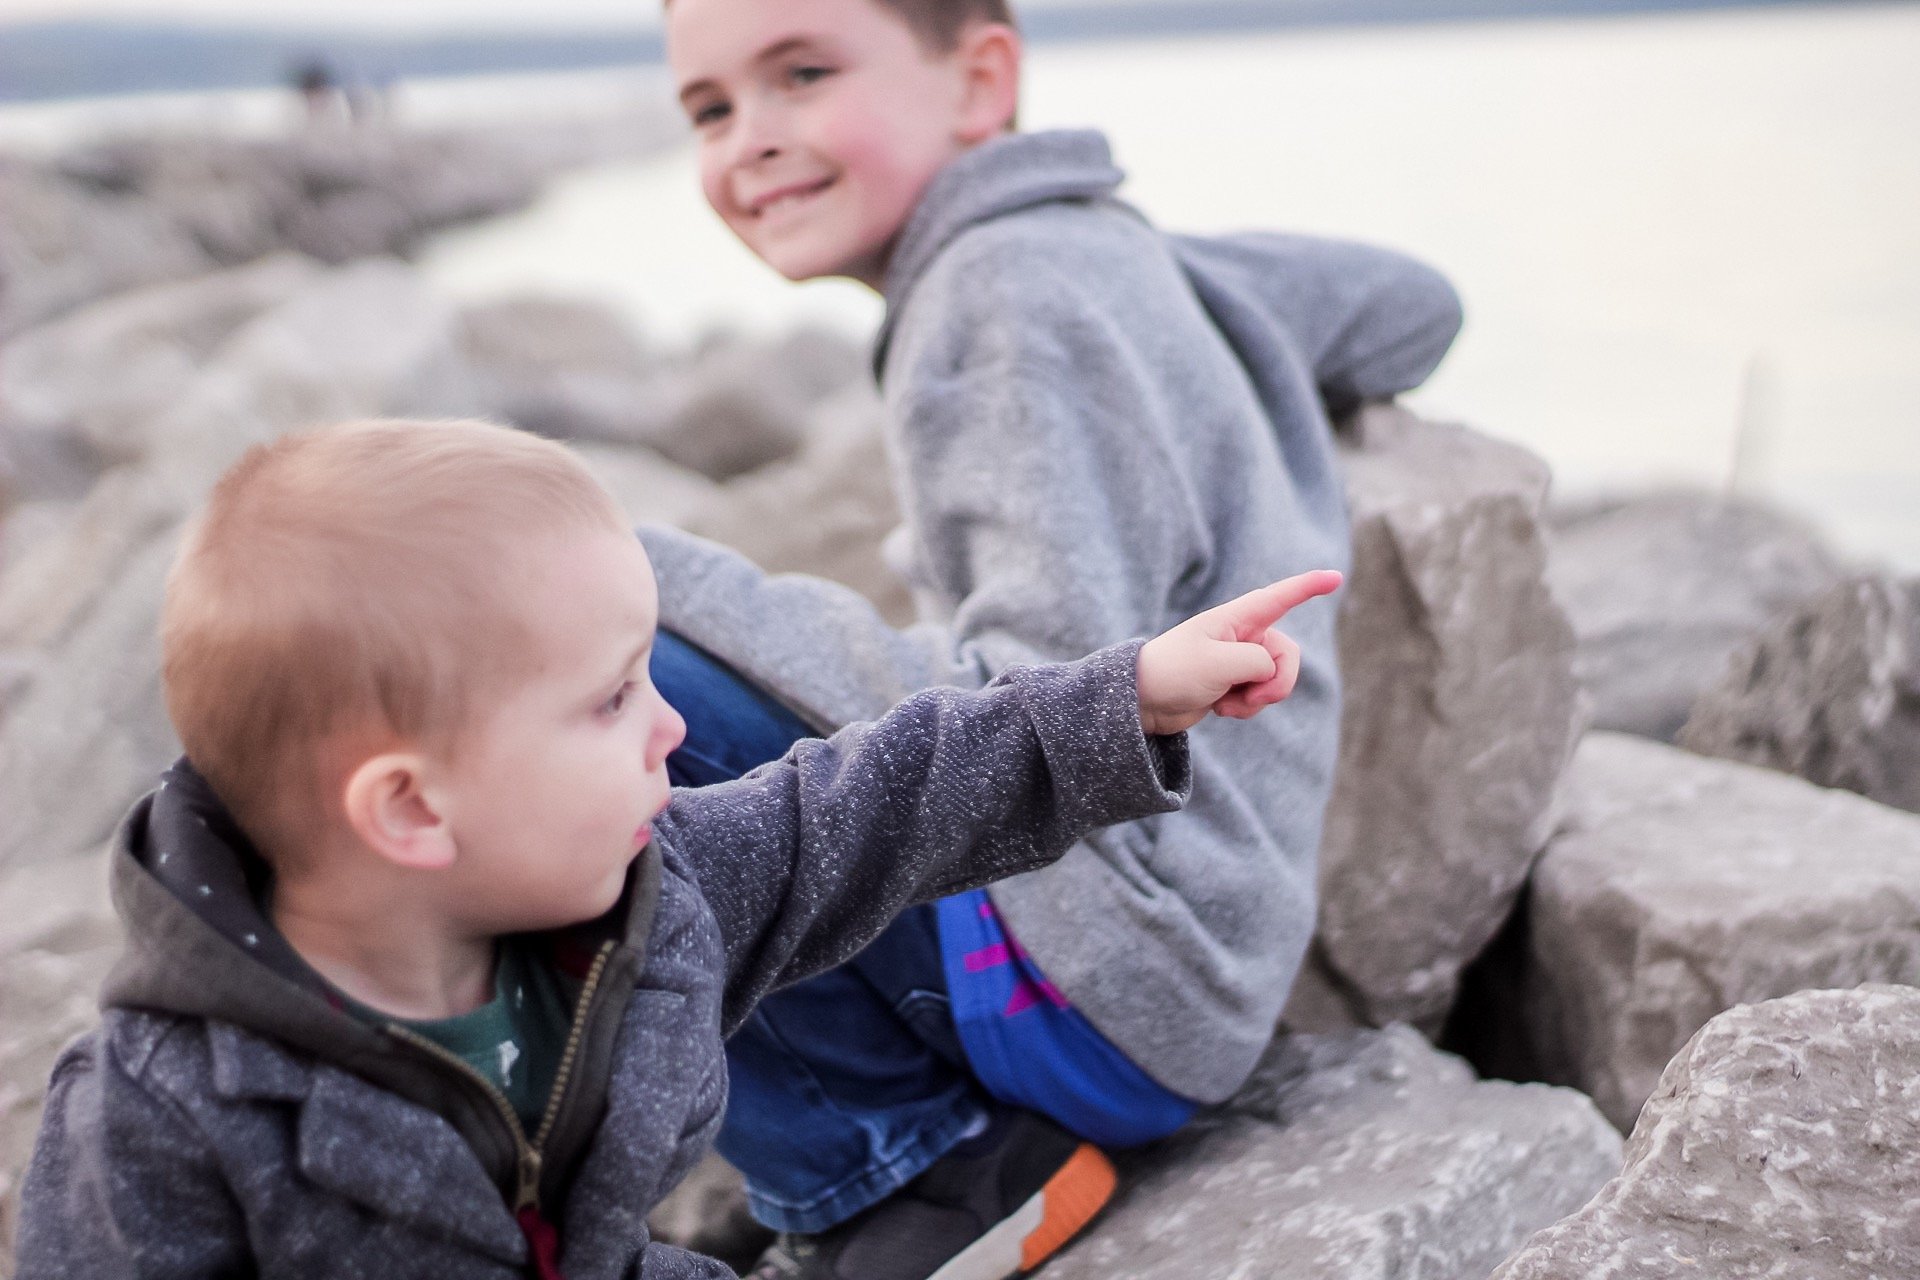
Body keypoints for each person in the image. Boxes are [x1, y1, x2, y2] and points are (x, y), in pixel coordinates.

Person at [13, 417, 1340, 1279]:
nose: (670, 728)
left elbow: (872, 804)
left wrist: (1123, 698)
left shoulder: (653, 904)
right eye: (609, 701)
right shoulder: (167, 1114)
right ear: (412, 810)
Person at [651, 1, 1464, 1276]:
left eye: (801, 75)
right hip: (1184, 959)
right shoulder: (1076, 250)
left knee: (614, 680)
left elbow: (1041, 707)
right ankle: (861, 1116)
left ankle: (900, 1161)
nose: (751, 139)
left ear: (982, 82)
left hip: (1113, 976)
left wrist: (643, 569)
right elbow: (1413, 305)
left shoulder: (1006, 289)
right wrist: (1159, 277)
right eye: (710, 107)